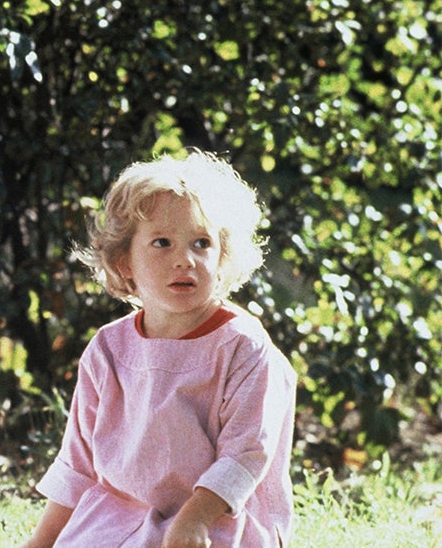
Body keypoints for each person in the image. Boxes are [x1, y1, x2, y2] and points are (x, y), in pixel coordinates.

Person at [21, 151, 296, 548]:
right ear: (125, 262)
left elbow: (246, 454)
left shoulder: (243, 347)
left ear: (222, 256)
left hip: (214, 521)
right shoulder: (108, 349)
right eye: (162, 243)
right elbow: (78, 466)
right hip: (117, 522)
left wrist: (194, 521)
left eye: (201, 243)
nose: (184, 259)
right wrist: (39, 544)